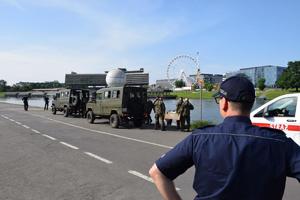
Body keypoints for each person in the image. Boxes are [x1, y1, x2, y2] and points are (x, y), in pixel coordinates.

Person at [149, 76, 300, 200]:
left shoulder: (199, 138)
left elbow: (157, 172)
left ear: (225, 103)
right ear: (252, 104)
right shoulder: (280, 143)